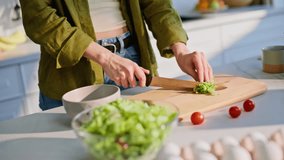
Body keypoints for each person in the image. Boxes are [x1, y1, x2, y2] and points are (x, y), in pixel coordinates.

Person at [19, 0, 213, 111]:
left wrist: (180, 49)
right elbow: (39, 19)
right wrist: (106, 58)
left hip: (132, 61)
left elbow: (158, 4)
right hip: (72, 73)